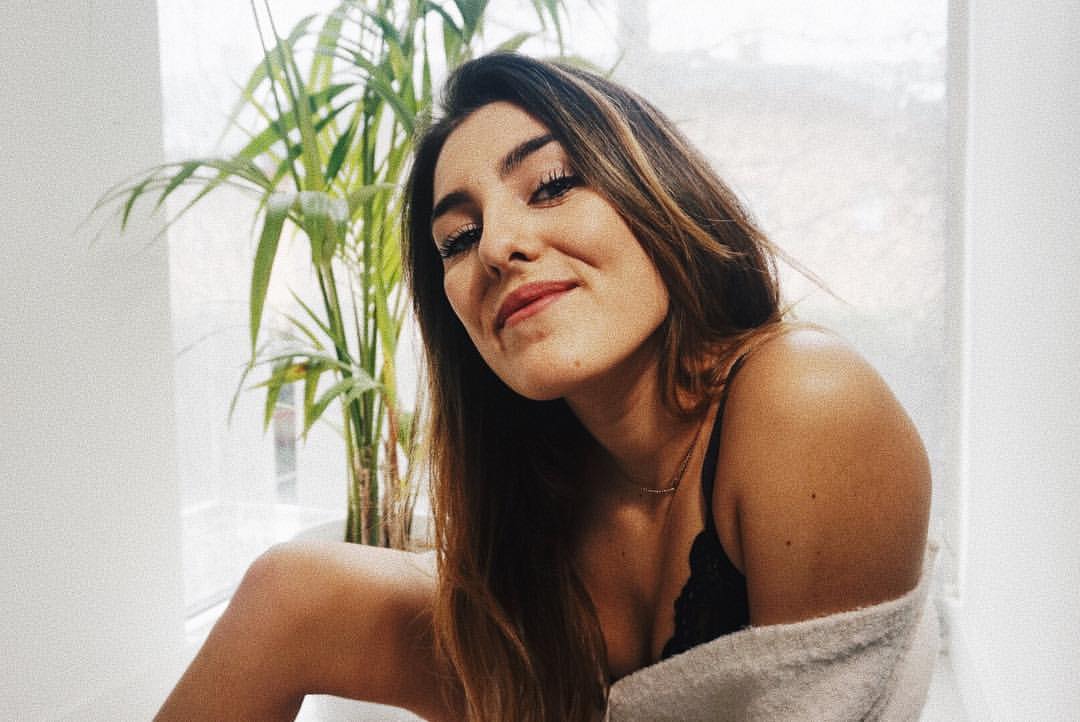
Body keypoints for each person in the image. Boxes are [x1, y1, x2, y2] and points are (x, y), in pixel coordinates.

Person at [155, 53, 932, 722]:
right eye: (458, 239)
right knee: (290, 589)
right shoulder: (536, 506)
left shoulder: (807, 397)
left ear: (655, 192)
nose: (497, 246)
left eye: (552, 184)